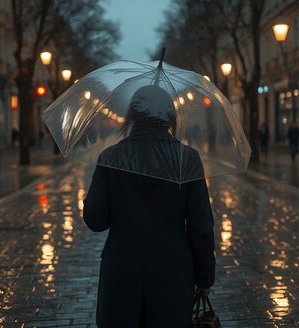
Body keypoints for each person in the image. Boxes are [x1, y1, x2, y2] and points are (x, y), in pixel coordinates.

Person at [83, 85, 215, 327]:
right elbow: (201, 226)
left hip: (122, 269)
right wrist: (204, 277)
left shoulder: (111, 157)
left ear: (133, 116)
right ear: (169, 117)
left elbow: (96, 220)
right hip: (172, 270)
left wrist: (91, 199)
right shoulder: (187, 159)